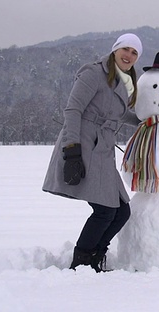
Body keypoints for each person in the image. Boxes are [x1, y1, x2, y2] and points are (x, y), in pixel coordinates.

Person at [43, 33, 142, 272]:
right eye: (125, 49)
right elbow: (73, 109)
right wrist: (72, 150)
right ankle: (82, 263)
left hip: (103, 149)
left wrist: (145, 120)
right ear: (115, 49)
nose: (128, 55)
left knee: (121, 211)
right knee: (105, 210)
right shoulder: (94, 73)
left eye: (134, 53)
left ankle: (96, 256)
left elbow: (118, 113)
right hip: (84, 143)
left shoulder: (122, 81)